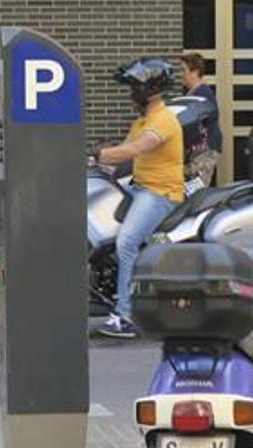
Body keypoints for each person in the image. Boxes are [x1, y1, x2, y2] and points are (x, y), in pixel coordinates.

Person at [93, 57, 184, 338]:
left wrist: (100, 154)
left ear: (147, 89)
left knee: (127, 242)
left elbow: (137, 148)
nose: (131, 95)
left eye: (133, 89)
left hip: (160, 193)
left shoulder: (164, 119)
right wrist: (96, 164)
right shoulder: (144, 119)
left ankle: (125, 315)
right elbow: (125, 151)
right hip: (140, 186)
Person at [179, 53, 222, 185]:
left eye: (183, 70)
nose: (181, 74)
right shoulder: (193, 93)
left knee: (196, 192)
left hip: (204, 152)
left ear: (195, 72)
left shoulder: (202, 94)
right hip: (195, 153)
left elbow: (204, 120)